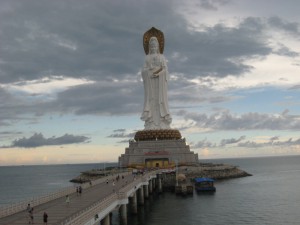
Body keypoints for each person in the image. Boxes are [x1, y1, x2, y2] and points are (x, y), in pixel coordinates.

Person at [141, 36, 172, 129]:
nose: (153, 48)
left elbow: (166, 70)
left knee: (161, 100)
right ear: (149, 47)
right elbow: (143, 70)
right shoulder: (147, 58)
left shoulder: (162, 57)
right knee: (151, 100)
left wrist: (159, 73)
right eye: (152, 46)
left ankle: (163, 122)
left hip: (160, 82)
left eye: (155, 46)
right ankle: (150, 123)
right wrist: (148, 71)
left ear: (158, 46)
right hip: (150, 83)